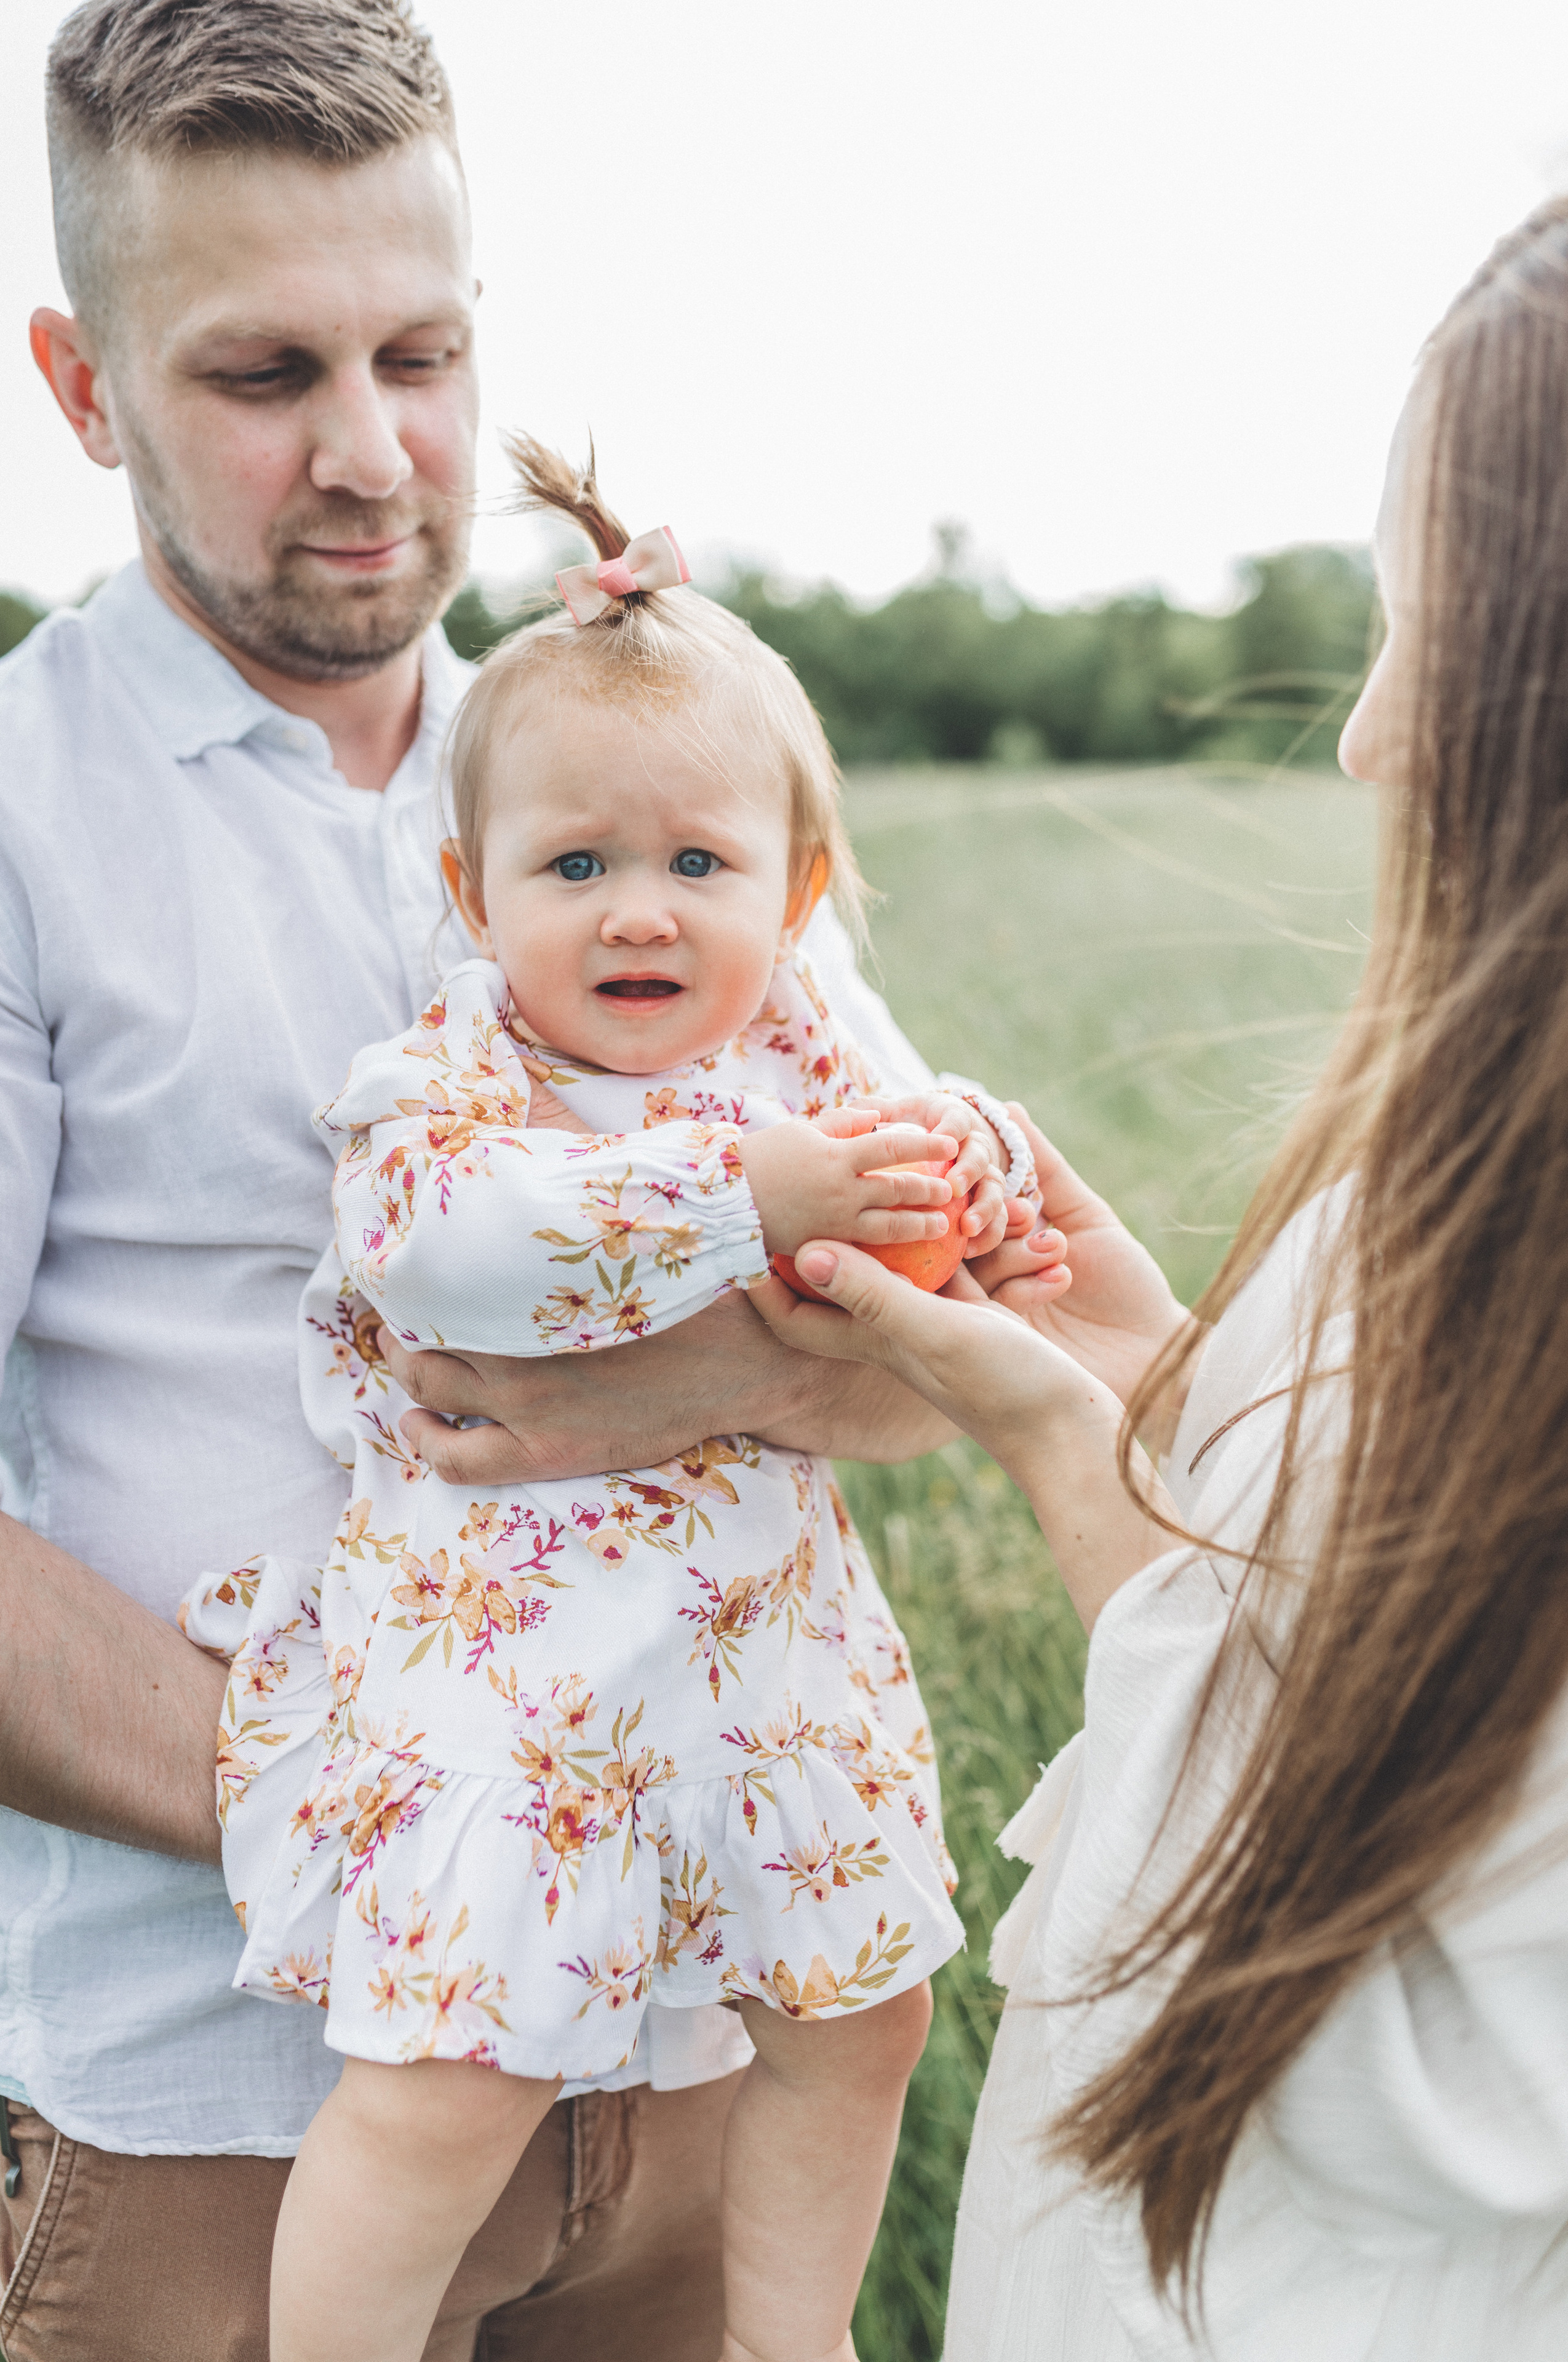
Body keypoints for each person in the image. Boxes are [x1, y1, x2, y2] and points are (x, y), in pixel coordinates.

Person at [0, 8, 1059, 2356]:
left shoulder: (632, 769)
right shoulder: (15, 815)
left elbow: (947, 1340)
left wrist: (644, 1402)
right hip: (228, 2098)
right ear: (81, 389)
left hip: (688, 2073)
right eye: (264, 370)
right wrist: (418, 1815)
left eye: (424, 353)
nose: (373, 454)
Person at [752, 197, 1568, 2361]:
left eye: (1444, 631)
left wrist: (1079, 1477)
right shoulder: (1455, 1156)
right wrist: (1168, 1382)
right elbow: (1373, 1637)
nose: (1371, 734)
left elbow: (1429, 2057)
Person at [178, 437, 1041, 2362]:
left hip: (764, 1674)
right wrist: (759, 1197)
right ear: (478, 900)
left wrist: (965, 1172)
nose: (639, 913)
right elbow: (454, 1255)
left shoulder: (801, 1059)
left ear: (795, 893)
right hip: (523, 1692)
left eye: (697, 866)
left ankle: (788, 2343)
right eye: (577, 867)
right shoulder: (451, 1090)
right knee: (446, 2081)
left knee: (863, 2012)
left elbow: (930, 1212)